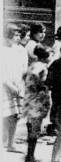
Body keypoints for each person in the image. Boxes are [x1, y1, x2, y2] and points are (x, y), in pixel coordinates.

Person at [22, 45, 52, 162]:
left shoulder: (33, 64)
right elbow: (34, 75)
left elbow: (25, 76)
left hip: (30, 98)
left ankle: (30, 156)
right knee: (35, 129)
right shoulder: (41, 66)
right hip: (37, 100)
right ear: (46, 56)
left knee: (31, 127)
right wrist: (41, 85)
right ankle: (30, 158)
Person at [2, 24, 26, 153]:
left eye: (18, 35)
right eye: (14, 35)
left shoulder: (18, 50)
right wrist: (9, 85)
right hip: (4, 86)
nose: (17, 37)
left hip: (17, 85)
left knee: (15, 115)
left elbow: (20, 68)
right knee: (5, 115)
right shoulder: (2, 50)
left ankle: (11, 143)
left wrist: (19, 85)